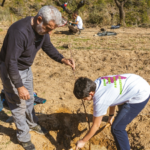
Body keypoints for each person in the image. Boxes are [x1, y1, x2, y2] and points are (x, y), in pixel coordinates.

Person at [0, 5, 75, 150]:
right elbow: (11, 62)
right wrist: (19, 86)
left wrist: (62, 59)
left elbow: (48, 46)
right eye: (48, 28)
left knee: (30, 100)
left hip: (25, 68)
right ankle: (23, 137)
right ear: (39, 19)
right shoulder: (19, 32)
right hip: (11, 69)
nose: (50, 32)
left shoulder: (42, 29)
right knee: (17, 105)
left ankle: (32, 123)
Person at [73, 74, 150, 150]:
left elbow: (96, 125)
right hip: (136, 81)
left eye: (84, 98)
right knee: (119, 116)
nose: (84, 100)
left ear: (91, 93)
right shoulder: (99, 81)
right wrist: (111, 115)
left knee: (117, 128)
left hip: (140, 94)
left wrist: (83, 141)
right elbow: (112, 97)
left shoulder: (100, 100)